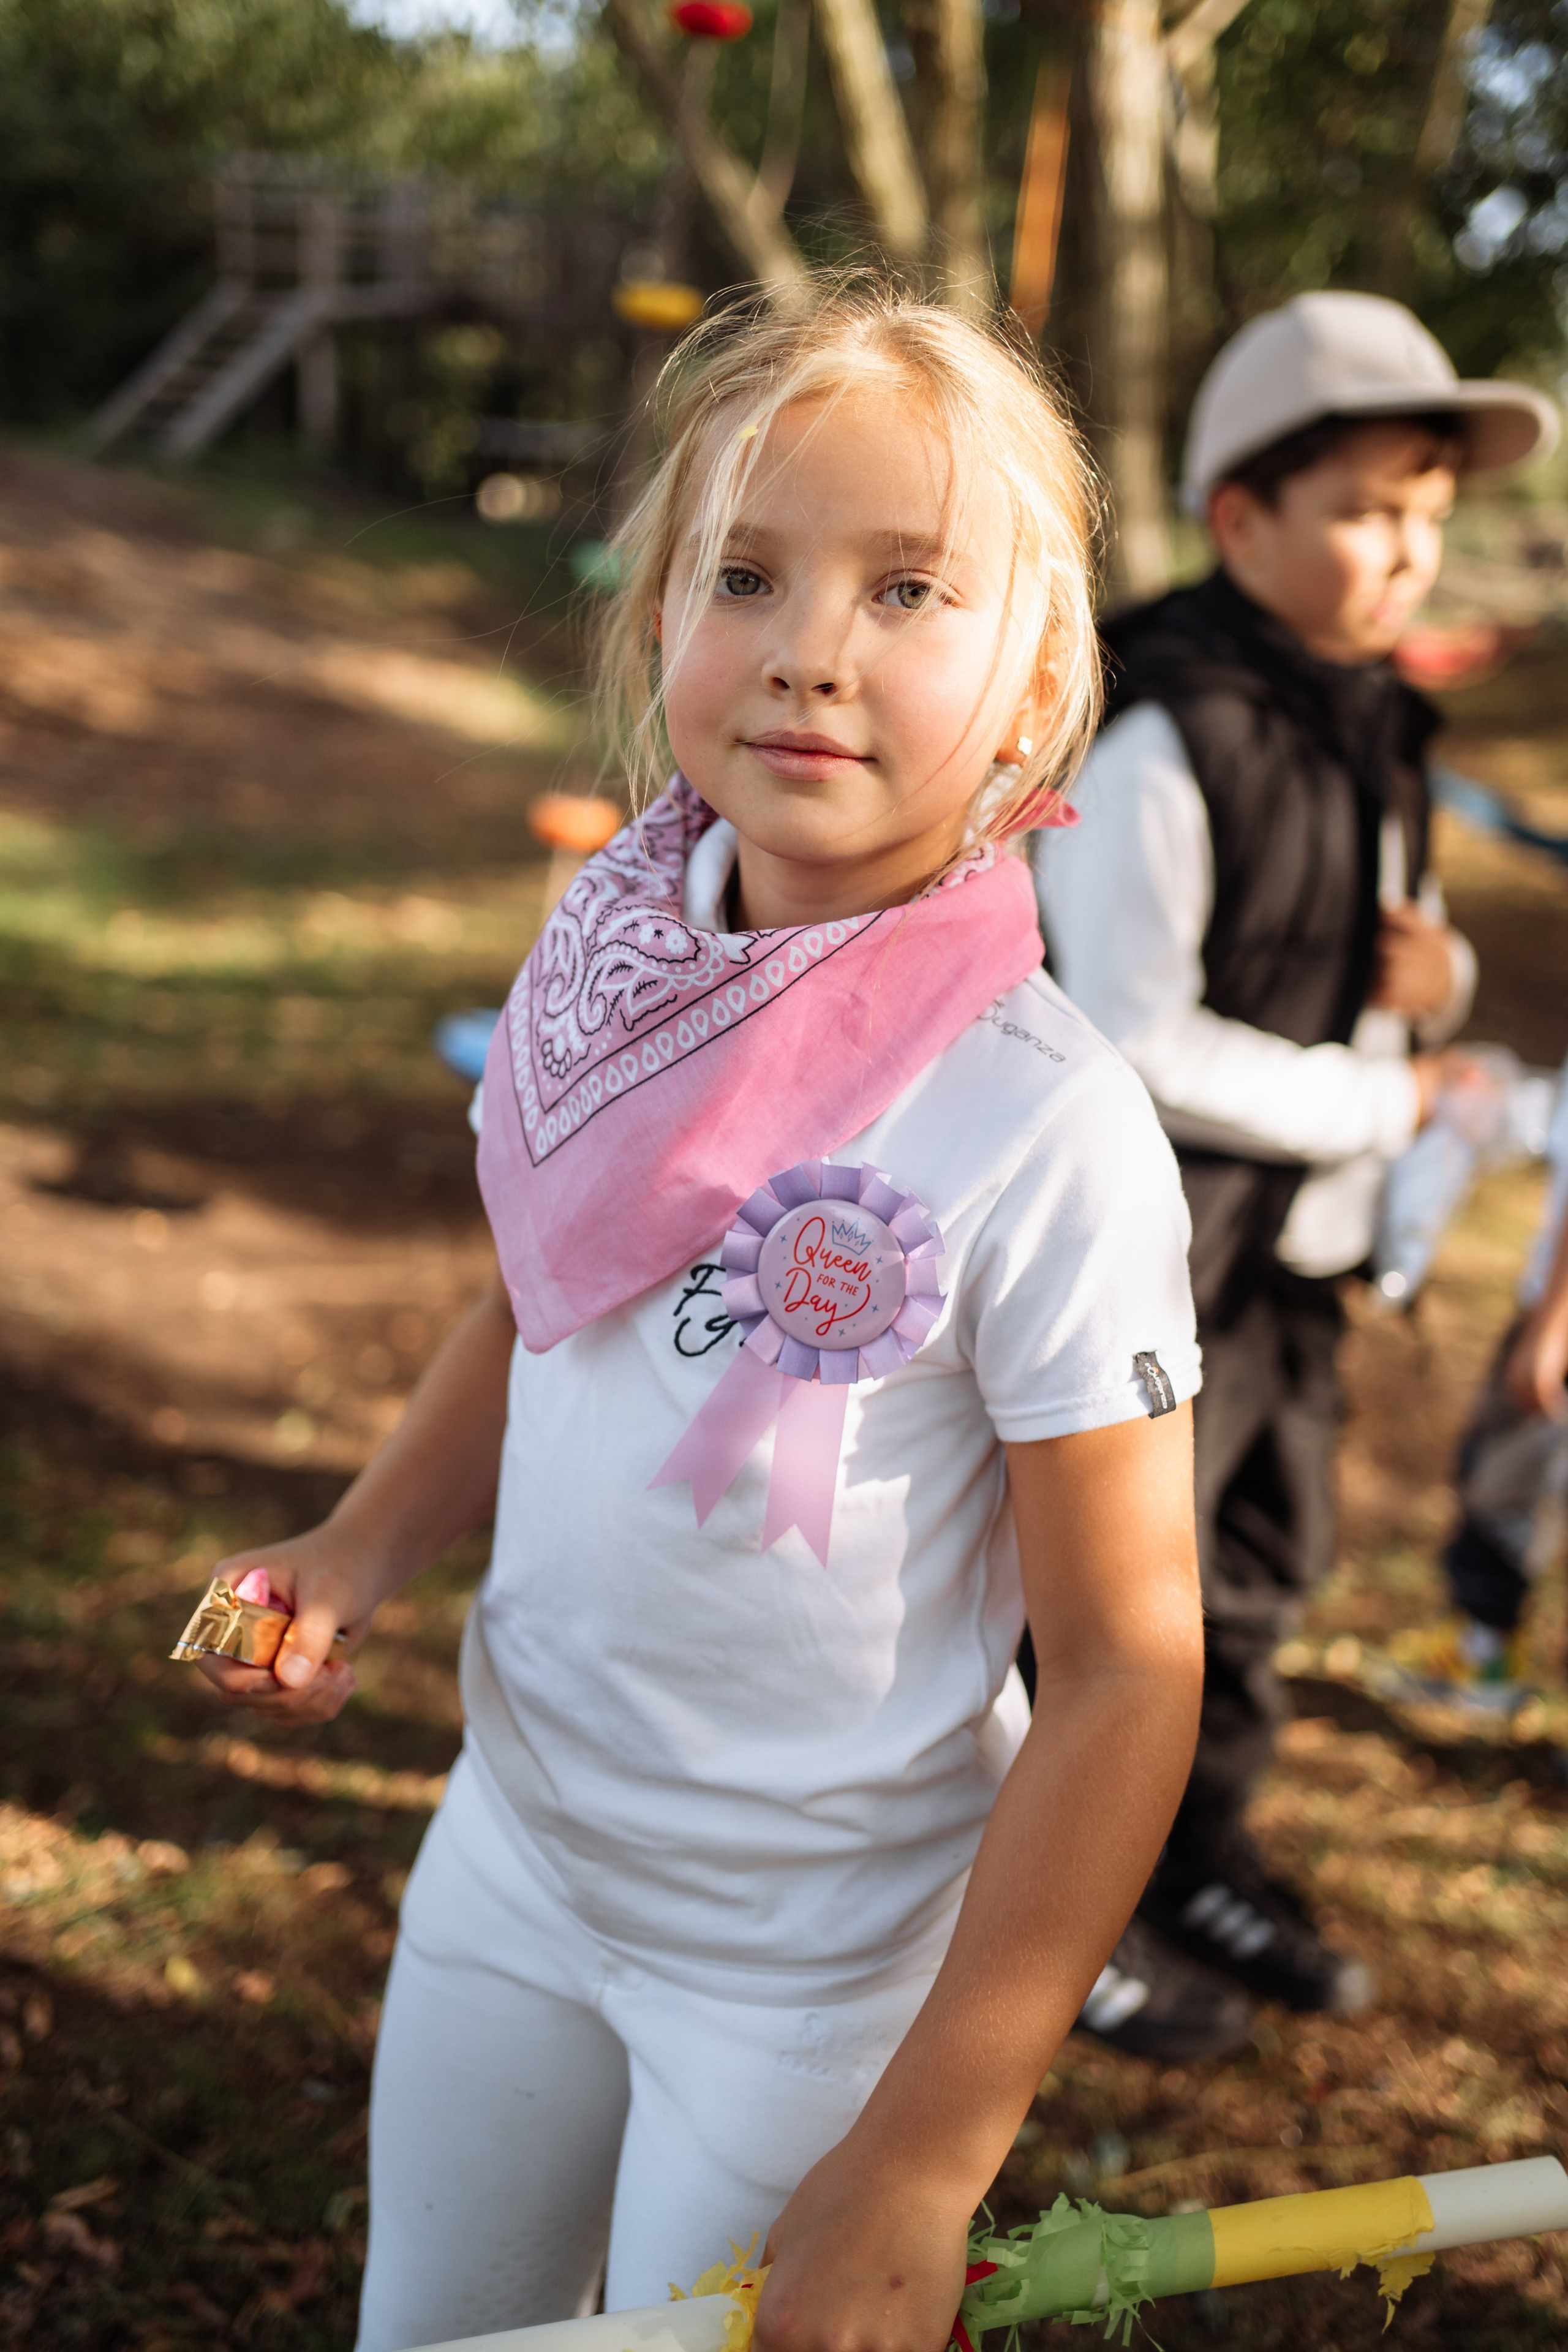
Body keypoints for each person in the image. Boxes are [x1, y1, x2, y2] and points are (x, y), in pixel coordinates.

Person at [195, 282, 1207, 2352]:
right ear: (660, 622)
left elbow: (1126, 1673)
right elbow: (541, 1305)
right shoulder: (603, 973)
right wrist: (363, 1545)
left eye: (910, 588)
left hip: (819, 1979)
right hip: (517, 1860)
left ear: (1031, 690)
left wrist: (922, 2159)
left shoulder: (1049, 1125)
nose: (810, 645)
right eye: (745, 573)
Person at [1035, 291, 1557, 2054]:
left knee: (1258, 1566)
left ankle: (1186, 1854)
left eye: (1426, 512)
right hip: (1154, 1261)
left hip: (1297, 1261)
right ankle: (1034, 1914)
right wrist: (1377, 1105)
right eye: (1361, 510)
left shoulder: (1375, 719)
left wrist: (1446, 992)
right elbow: (1128, 1033)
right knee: (1104, 1600)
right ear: (1240, 517)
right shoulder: (1163, 729)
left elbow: (1381, 958)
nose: (1405, 551)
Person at [1388, 1054, 1568, 1714]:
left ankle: (1484, 1656)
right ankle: (1485, 1653)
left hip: (1556, 1314)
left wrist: (1551, 1323)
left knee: (1502, 1477)